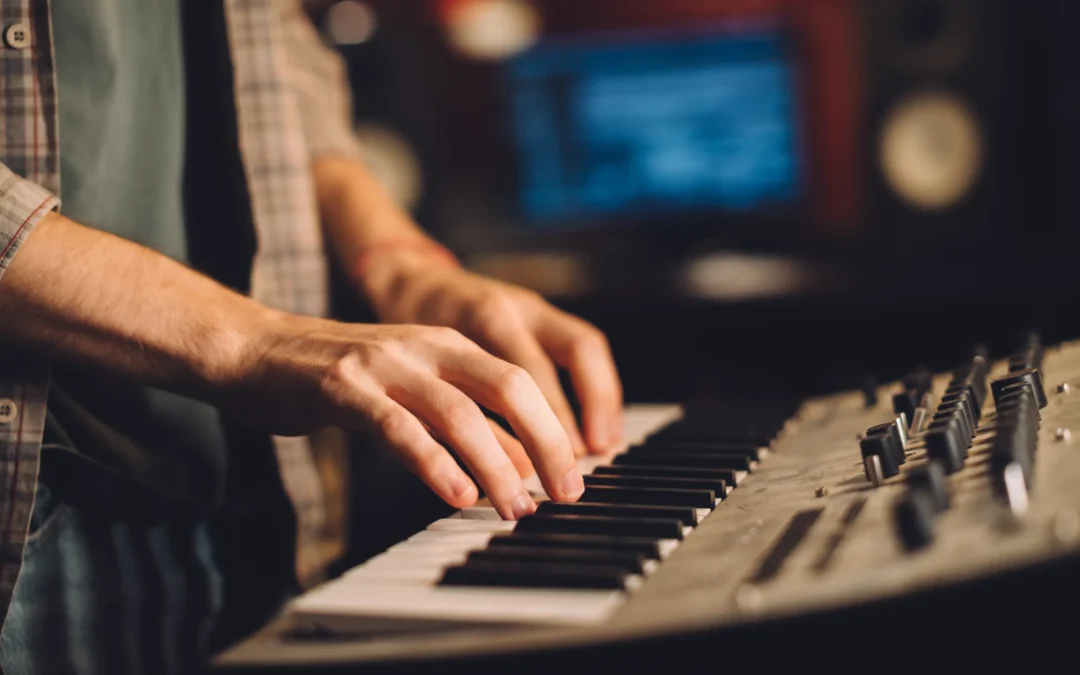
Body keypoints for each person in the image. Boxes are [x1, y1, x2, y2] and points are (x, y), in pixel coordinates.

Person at [0, 2, 623, 672]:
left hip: (252, 484)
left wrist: (399, 263)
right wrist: (255, 341)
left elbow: (275, 47)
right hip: (33, 493)